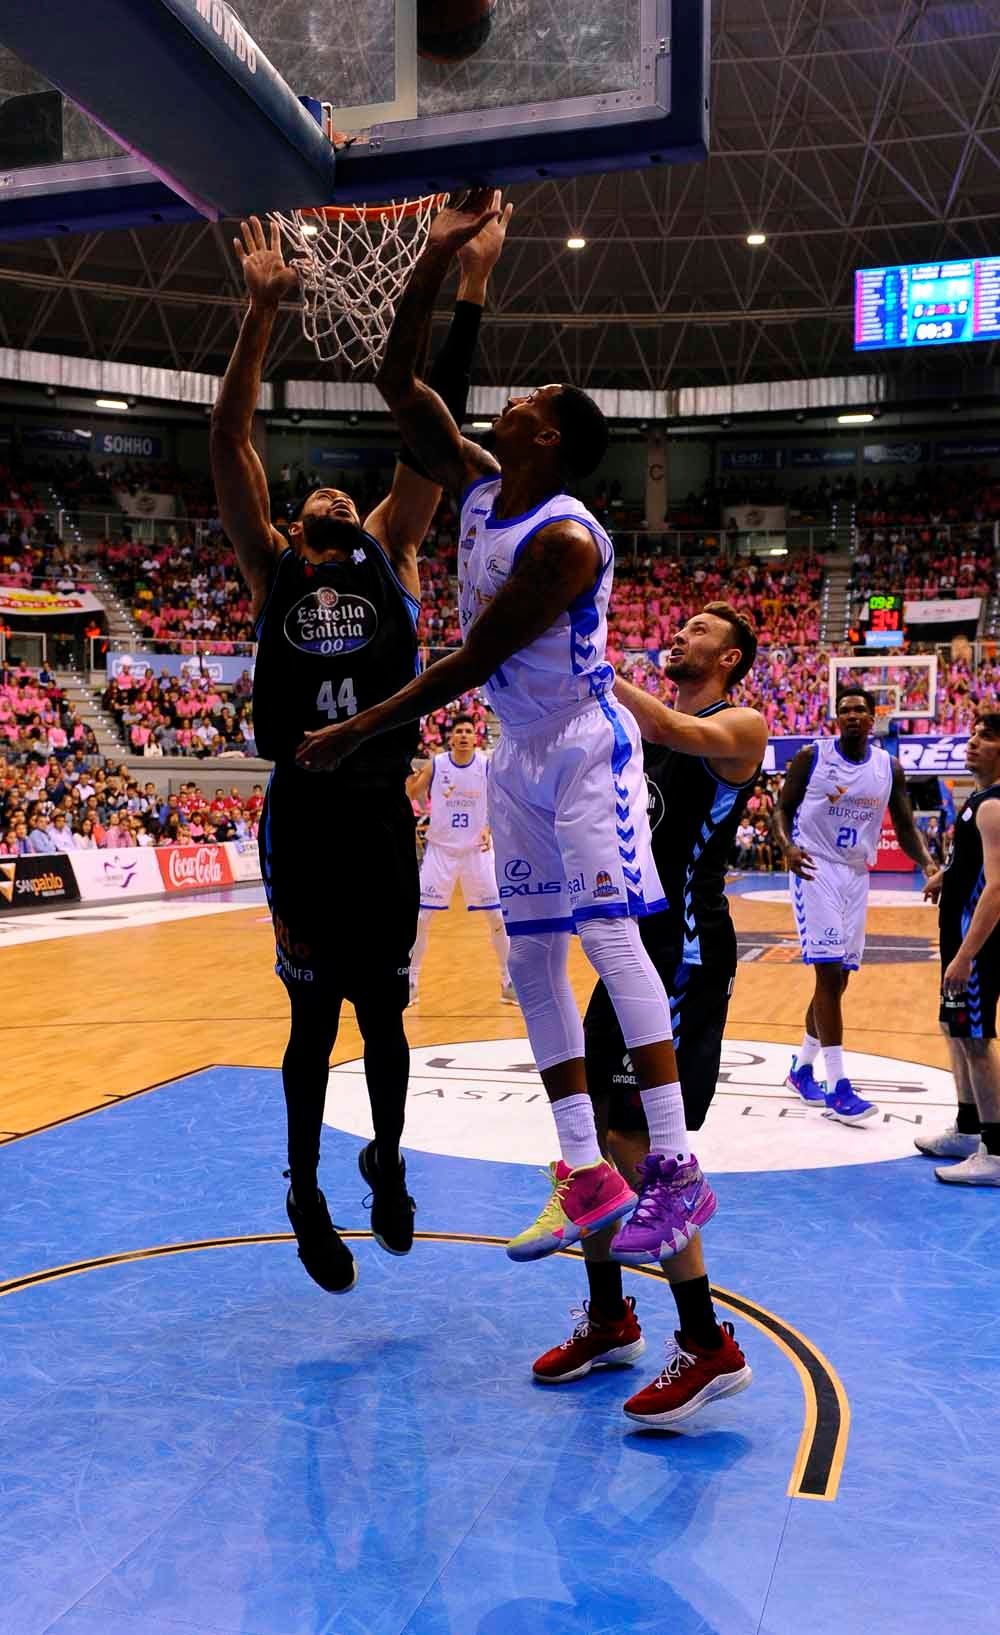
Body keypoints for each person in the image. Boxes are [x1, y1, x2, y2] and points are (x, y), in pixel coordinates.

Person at [297, 190, 714, 1266]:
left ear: (551, 435)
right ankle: (583, 1171)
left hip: (582, 744)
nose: (511, 400)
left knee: (607, 938)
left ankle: (673, 1169)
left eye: (529, 397)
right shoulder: (480, 484)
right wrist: (435, 261)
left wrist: (359, 730)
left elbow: (476, 660)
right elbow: (399, 384)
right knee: (529, 957)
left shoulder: (565, 541)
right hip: (520, 755)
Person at [210, 210, 508, 1294]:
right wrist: (259, 317)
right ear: (297, 519)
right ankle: (303, 1187)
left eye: (350, 490)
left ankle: (385, 1158)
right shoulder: (271, 566)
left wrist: (467, 289)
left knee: (384, 1014)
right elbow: (227, 442)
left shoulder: (396, 550)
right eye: (314, 494)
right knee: (308, 1019)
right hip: (303, 818)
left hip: (383, 815)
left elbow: (428, 437)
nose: (331, 491)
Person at [531, 604, 764, 1425]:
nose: (682, 632)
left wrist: (585, 659)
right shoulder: (637, 740)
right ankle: (608, 1317)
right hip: (626, 952)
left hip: (684, 958)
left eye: (701, 627)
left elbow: (660, 718)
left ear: (730, 655)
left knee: (642, 1147)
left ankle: (707, 1344)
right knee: (589, 1137)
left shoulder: (741, 724)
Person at [774, 689, 936, 1123]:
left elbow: (904, 826)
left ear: (872, 719)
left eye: (859, 709)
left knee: (840, 979)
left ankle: (802, 1068)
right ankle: (838, 1085)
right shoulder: (814, 757)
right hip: (815, 866)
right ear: (836, 718)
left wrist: (928, 864)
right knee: (827, 972)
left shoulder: (888, 767)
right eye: (844, 709)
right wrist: (787, 847)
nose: (851, 715)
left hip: (855, 873)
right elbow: (782, 808)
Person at [916, 713, 1000, 1184]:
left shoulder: (993, 806)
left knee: (976, 1037)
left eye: (986, 737)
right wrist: (944, 875)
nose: (972, 742)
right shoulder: (978, 802)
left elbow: (997, 887)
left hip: (977, 944)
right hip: (961, 938)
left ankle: (997, 1149)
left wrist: (967, 955)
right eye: (972, 734)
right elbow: (973, 863)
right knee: (954, 1027)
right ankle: (969, 1128)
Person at [405, 714, 514, 1006]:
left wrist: (490, 828)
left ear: (475, 736)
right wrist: (405, 775)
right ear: (451, 737)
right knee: (420, 919)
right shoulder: (437, 764)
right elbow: (411, 793)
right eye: (459, 731)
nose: (464, 735)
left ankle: (508, 981)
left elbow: (499, 800)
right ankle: (410, 981)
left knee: (498, 918)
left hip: (476, 851)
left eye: (468, 731)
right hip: (440, 850)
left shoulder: (485, 765)